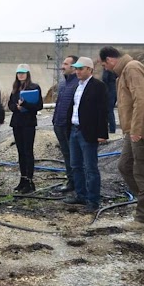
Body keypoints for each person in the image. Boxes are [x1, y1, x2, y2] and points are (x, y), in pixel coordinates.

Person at [99, 47, 144, 232]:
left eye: (104, 64)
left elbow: (142, 99)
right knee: (125, 166)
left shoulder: (132, 68)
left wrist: (138, 129)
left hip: (138, 131)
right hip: (131, 131)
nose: (105, 68)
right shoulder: (123, 73)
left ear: (110, 59)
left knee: (142, 171)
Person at [62, 57, 108, 214]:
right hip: (75, 130)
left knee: (90, 167)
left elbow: (103, 111)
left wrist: (102, 133)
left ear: (90, 70)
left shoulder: (98, 87)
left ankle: (93, 200)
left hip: (88, 132)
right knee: (76, 165)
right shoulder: (78, 86)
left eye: (81, 69)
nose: (78, 71)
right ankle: (81, 195)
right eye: (76, 69)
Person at [7, 64, 43, 194]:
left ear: (27, 74)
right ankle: (22, 179)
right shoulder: (15, 89)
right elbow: (10, 104)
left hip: (28, 123)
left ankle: (29, 180)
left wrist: (25, 104)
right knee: (21, 152)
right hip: (17, 123)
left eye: (23, 73)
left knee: (28, 151)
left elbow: (39, 106)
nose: (21, 75)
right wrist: (15, 107)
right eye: (19, 73)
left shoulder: (34, 87)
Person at [52, 55, 79, 192]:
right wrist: (54, 120)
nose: (63, 66)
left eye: (66, 64)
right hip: (59, 124)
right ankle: (71, 182)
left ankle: (78, 184)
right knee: (67, 155)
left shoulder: (77, 84)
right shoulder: (63, 84)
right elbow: (59, 103)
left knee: (74, 157)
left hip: (70, 127)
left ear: (74, 67)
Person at [102, 68, 117, 133]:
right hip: (114, 90)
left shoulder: (107, 69)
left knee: (109, 110)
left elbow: (105, 78)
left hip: (110, 91)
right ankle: (111, 128)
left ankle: (112, 128)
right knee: (110, 110)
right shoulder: (114, 69)